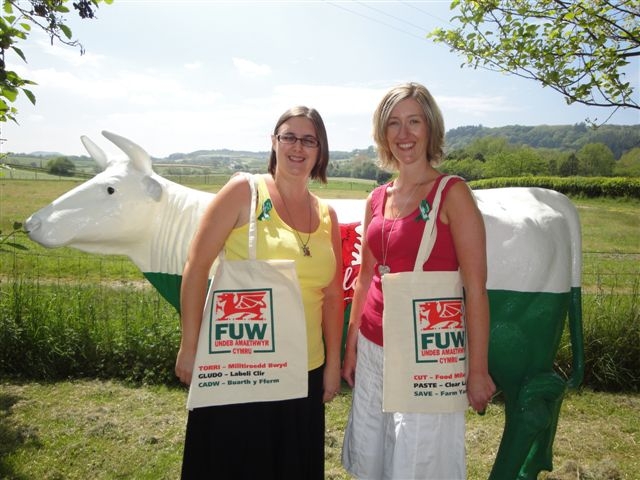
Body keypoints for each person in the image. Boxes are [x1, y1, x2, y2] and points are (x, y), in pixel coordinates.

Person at [175, 106, 344, 480]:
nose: (297, 147)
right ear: (274, 142)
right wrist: (190, 347)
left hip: (304, 370)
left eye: (308, 140)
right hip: (242, 366)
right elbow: (196, 265)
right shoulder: (243, 192)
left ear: (320, 150)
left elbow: (333, 296)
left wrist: (332, 365)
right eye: (289, 137)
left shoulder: (328, 215)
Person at [341, 82, 496, 479]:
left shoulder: (452, 193)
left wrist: (476, 369)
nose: (404, 134)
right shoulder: (378, 197)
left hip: (426, 352)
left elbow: (475, 289)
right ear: (382, 133)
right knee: (372, 451)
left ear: (430, 128)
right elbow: (363, 278)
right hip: (375, 346)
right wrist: (352, 340)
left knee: (419, 458)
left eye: (414, 122)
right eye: (393, 123)